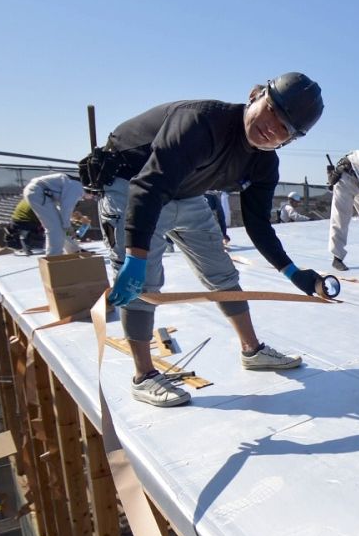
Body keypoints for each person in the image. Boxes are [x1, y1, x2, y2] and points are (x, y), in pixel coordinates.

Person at [90, 71, 327, 408]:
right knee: (143, 284)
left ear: (289, 140)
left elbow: (258, 224)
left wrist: (293, 273)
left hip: (187, 195)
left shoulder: (263, 163)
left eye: (285, 128)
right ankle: (143, 376)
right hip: (130, 185)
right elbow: (150, 186)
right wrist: (135, 257)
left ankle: (252, 350)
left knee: (222, 273)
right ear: (255, 95)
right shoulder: (200, 122)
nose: (272, 126)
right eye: (272, 109)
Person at [10, 173, 86, 255]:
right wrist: (68, 227)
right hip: (39, 193)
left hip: (38, 192)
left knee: (60, 226)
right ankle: (54, 257)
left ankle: (74, 250)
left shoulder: (73, 184)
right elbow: (66, 208)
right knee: (55, 227)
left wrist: (68, 227)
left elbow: (63, 217)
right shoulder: (78, 187)